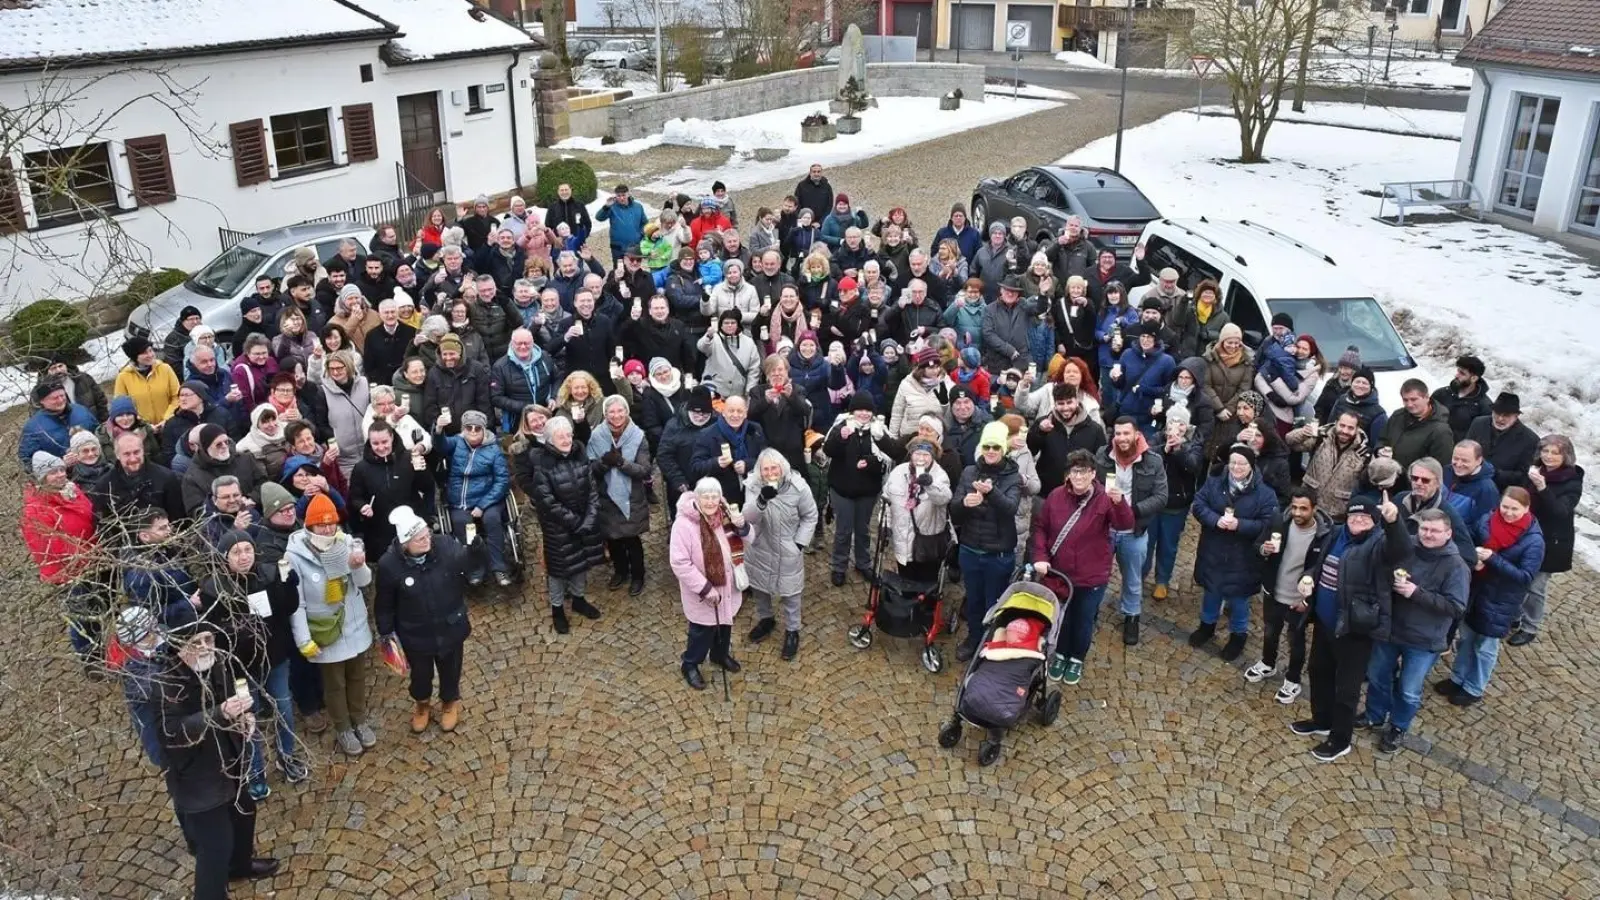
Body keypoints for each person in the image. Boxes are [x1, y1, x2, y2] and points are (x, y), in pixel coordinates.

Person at [157, 625, 281, 897]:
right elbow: (173, 732)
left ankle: (239, 867)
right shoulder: (166, 682)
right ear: (179, 647)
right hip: (197, 778)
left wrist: (244, 717)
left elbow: (231, 694)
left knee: (245, 812)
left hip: (229, 763)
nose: (205, 647)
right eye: (196, 642)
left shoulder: (216, 662)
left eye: (208, 639)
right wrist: (220, 713)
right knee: (215, 847)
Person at [1290, 496, 1409, 763]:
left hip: (1355, 629)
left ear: (1374, 521)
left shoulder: (1379, 543)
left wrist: (1394, 521)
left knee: (1347, 688)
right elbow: (1317, 563)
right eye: (1354, 517)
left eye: (1365, 518)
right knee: (1319, 672)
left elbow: (1400, 550)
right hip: (1324, 621)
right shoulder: (1335, 534)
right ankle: (1321, 719)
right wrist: (1307, 577)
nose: (1358, 522)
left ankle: (1340, 738)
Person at [200, 530, 308, 796]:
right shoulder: (213, 588)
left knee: (283, 707)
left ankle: (287, 756)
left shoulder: (269, 574)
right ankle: (256, 770)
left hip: (275, 658)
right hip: (240, 667)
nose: (244, 557)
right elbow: (217, 632)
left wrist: (288, 586)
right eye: (236, 552)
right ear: (225, 558)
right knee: (249, 718)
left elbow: (288, 608)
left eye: (247, 550)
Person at [1359, 509, 1470, 753]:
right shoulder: (1406, 547)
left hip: (1424, 639)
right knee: (1377, 676)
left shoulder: (1456, 566)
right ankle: (1374, 715)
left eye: (1434, 530)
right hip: (1390, 629)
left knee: (1409, 689)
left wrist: (1416, 593)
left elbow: (1456, 606)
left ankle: (1398, 727)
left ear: (1448, 533)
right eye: (1424, 529)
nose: (1428, 535)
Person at [1030, 450, 1134, 685]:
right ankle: (1061, 654)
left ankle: (1076, 657)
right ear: (1067, 474)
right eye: (1074, 471)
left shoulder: (1106, 498)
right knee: (1063, 618)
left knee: (1084, 619)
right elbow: (1041, 529)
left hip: (1092, 575)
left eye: (1084, 471)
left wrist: (1120, 504)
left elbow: (1125, 524)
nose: (1078, 477)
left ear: (1093, 473)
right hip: (1060, 573)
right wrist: (1040, 555)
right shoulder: (1056, 497)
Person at [286, 493, 375, 758]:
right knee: (334, 684)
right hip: (325, 629)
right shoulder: (295, 555)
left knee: (357, 677)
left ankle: (359, 719)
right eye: (321, 524)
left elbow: (363, 583)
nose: (327, 529)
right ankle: (343, 727)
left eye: (331, 523)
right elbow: (297, 602)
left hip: (353, 623)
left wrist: (358, 566)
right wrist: (303, 639)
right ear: (310, 525)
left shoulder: (346, 543)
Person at [1439, 487, 1544, 707]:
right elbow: (1470, 539)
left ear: (1526, 509)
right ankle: (1458, 678)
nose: (1508, 512)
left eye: (1514, 509)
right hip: (1476, 589)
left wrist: (1493, 560)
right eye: (1505, 507)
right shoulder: (1488, 519)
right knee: (1466, 638)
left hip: (1501, 599)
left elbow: (1525, 577)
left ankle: (1474, 687)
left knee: (1485, 646)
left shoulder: (1534, 541)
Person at [375, 506, 471, 734]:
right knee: (421, 675)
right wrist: (386, 634)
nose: (427, 541)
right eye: (419, 539)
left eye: (427, 535)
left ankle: (449, 702)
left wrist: (476, 553)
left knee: (451, 669)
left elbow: (469, 566)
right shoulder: (389, 565)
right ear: (405, 543)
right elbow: (384, 604)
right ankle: (422, 705)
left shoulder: (445, 546)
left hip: (450, 625)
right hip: (415, 634)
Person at [1188, 444, 1279, 661]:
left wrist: (1239, 525)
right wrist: (1215, 520)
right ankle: (1206, 626)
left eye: (1242, 463)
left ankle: (1238, 635)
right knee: (1211, 591)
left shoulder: (1265, 494)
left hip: (1243, 557)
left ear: (1251, 466)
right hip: (1213, 550)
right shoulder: (1214, 483)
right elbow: (1198, 505)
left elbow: (1268, 523)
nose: (1237, 467)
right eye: (1233, 462)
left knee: (1239, 599)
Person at [1248, 488, 1331, 705]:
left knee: (1296, 641)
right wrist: (1264, 550)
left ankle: (1293, 679)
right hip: (1274, 590)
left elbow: (1322, 570)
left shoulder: (1324, 536)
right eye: (1294, 507)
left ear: (1315, 509)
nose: (1297, 512)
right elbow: (1257, 545)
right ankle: (1267, 662)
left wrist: (1308, 600)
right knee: (1270, 631)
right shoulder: (1278, 522)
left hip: (1299, 600)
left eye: (1303, 508)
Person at [950, 422, 1024, 663]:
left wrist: (991, 493)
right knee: (973, 598)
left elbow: (1010, 509)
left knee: (995, 602)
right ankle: (973, 638)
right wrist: (964, 504)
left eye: (995, 447)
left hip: (998, 554)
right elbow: (955, 511)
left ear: (1003, 449)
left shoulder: (1013, 475)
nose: (990, 451)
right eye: (986, 446)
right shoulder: (970, 472)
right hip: (970, 548)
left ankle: (990, 643)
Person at [526, 417, 606, 633]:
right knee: (559, 570)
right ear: (550, 440)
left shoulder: (581, 456)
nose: (566, 439)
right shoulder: (542, 466)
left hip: (583, 523)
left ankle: (579, 599)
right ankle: (557, 608)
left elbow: (592, 491)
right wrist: (575, 522)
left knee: (581, 563)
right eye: (560, 436)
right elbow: (548, 502)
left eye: (569, 434)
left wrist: (588, 520)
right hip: (558, 528)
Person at [670, 479, 750, 690]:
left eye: (714, 496)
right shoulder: (684, 524)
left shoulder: (726, 516)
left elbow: (750, 540)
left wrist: (742, 526)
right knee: (701, 631)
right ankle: (690, 664)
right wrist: (705, 588)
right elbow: (680, 563)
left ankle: (719, 655)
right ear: (697, 498)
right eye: (705, 496)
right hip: (702, 593)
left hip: (728, 588)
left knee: (725, 625)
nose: (710, 501)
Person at [1095, 417, 1168, 646]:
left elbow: (1161, 497)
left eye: (1127, 433)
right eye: (1118, 434)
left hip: (1134, 530)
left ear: (1136, 434)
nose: (1122, 438)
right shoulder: (1102, 455)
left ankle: (1131, 616)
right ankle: (1092, 611)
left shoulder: (1153, 461)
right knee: (1097, 575)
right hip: (1104, 529)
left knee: (1133, 579)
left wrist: (1132, 511)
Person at [742, 448, 818, 662]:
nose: (770, 472)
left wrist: (800, 543)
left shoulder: (798, 487)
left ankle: (793, 630)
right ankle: (766, 619)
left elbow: (810, 516)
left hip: (788, 547)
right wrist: (761, 501)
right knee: (759, 587)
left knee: (790, 592)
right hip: (760, 545)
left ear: (782, 467)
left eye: (774, 467)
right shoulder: (753, 484)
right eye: (765, 469)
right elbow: (747, 517)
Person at [1510, 435, 1582, 646]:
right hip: (1524, 534)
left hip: (1551, 541)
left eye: (1554, 453)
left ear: (1565, 456)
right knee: (1516, 578)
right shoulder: (1534, 471)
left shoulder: (1572, 480)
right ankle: (1514, 616)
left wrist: (1542, 488)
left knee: (1535, 586)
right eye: (1545, 451)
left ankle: (1530, 626)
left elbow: (1560, 511)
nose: (1548, 456)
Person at [824, 394, 895, 586]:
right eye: (859, 410)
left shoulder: (879, 431)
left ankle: (863, 563)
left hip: (867, 491)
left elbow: (889, 456)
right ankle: (839, 566)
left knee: (863, 530)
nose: (863, 413)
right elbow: (829, 450)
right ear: (852, 411)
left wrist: (872, 462)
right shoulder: (842, 426)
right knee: (843, 530)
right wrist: (841, 438)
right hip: (842, 489)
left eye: (867, 410)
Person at [589, 395, 652, 596]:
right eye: (611, 412)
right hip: (606, 496)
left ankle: (638, 575)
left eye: (620, 411)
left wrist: (621, 463)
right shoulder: (597, 435)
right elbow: (590, 469)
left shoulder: (638, 435)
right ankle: (620, 571)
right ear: (605, 414)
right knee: (613, 538)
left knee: (632, 539)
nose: (616, 415)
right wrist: (603, 463)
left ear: (626, 412)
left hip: (631, 497)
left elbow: (644, 470)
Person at [442, 411, 513, 587]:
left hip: (488, 499)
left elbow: (502, 480)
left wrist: (482, 505)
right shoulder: (456, 442)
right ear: (463, 430)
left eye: (477, 428)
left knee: (492, 519)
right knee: (464, 526)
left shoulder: (494, 450)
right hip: (460, 501)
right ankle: (476, 568)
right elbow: (440, 444)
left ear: (484, 430)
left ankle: (498, 567)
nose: (473, 431)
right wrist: (438, 429)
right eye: (469, 428)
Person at [882, 437, 955, 584]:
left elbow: (944, 497)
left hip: (928, 544)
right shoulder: (898, 472)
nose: (921, 458)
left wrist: (930, 484)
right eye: (917, 453)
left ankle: (926, 605)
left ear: (932, 456)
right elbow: (887, 499)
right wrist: (885, 524)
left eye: (926, 455)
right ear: (911, 454)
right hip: (902, 541)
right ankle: (906, 605)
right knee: (906, 582)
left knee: (926, 584)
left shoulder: (939, 475)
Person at [348, 420, 422, 555]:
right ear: (369, 442)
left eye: (384, 442)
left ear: (392, 438)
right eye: (375, 443)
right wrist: (362, 506)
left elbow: (427, 487)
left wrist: (425, 516)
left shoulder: (410, 459)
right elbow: (354, 497)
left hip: (410, 525)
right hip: (378, 529)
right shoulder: (361, 468)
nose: (381, 447)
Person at [1285, 411, 1371, 522]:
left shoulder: (1364, 453)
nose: (1345, 431)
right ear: (1336, 423)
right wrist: (1303, 432)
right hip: (1308, 507)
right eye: (1342, 425)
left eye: (1350, 428)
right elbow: (1290, 441)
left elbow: (1372, 479)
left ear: (1357, 429)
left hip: (1336, 515)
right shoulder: (1321, 437)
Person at [92, 430, 187, 525]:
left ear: (143, 450)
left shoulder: (166, 478)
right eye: (127, 454)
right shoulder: (104, 486)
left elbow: (178, 519)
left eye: (136, 452)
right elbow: (101, 523)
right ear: (117, 455)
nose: (133, 459)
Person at [692, 394, 768, 500]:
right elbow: (696, 467)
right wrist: (716, 463)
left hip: (753, 491)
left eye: (739, 411)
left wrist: (748, 464)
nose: (735, 415)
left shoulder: (755, 430)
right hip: (723, 495)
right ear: (723, 412)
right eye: (731, 411)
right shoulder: (707, 434)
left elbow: (766, 459)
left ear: (746, 413)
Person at [1380, 379, 1456, 481]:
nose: (1409, 404)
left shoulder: (1440, 431)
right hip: (1389, 477)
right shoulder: (1397, 416)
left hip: (1416, 484)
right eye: (1405, 400)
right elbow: (1382, 439)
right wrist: (1379, 449)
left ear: (1427, 397)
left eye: (1413, 399)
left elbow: (1441, 467)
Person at [19, 379, 99, 465]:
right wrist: (59, 463)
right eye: (55, 398)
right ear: (42, 401)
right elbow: (27, 459)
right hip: (63, 475)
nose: (60, 400)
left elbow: (98, 433)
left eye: (62, 395)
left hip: (96, 465)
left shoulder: (81, 410)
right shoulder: (34, 427)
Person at [114, 335, 181, 426]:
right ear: (135, 357)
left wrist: (167, 419)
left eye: (150, 350)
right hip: (142, 429)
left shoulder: (165, 369)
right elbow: (122, 407)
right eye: (144, 353)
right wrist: (145, 425)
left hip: (170, 424)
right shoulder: (123, 377)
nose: (150, 355)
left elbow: (177, 396)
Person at [1431, 355, 1493, 442]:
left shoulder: (1484, 406)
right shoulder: (1441, 394)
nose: (1457, 375)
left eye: (1462, 373)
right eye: (1458, 371)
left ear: (1474, 378)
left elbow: (1483, 437)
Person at [1445, 439, 1500, 524]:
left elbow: (1484, 526)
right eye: (1455, 458)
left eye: (1465, 461)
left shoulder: (1487, 489)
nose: (1458, 464)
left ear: (1478, 461)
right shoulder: (1446, 471)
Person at [596, 184, 646, 263]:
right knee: (619, 271)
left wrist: (640, 235)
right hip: (617, 248)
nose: (621, 198)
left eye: (623, 195)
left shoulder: (638, 207)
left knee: (634, 268)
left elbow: (644, 223)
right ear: (615, 196)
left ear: (628, 194)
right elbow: (599, 218)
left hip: (634, 246)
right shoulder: (612, 207)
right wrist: (606, 206)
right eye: (619, 196)